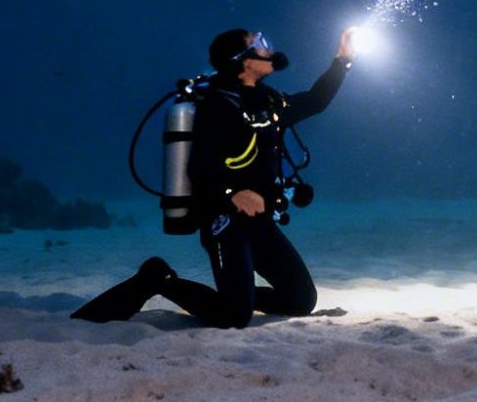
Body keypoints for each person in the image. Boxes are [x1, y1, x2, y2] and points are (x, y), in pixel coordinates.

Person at [73, 26, 355, 328]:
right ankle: (159, 279)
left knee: (300, 300)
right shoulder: (216, 106)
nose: (268, 49)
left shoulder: (270, 102)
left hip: (260, 222)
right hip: (226, 222)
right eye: (259, 44)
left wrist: (342, 60)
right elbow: (199, 169)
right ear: (243, 60)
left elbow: (315, 100)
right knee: (234, 317)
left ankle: (239, 296)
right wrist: (233, 193)